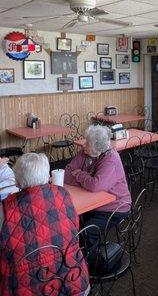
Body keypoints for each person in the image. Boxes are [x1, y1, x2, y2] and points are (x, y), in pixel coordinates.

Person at [0, 153, 89, 296]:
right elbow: (75, 229)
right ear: (48, 176)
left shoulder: (4, 209)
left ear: (17, 182)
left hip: (26, 289)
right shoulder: (63, 194)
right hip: (73, 281)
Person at [64, 125, 131, 233]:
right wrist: (88, 181)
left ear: (99, 149)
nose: (84, 145)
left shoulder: (111, 159)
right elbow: (66, 174)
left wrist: (80, 174)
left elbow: (96, 186)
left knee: (86, 231)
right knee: (70, 223)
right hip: (92, 203)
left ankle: (92, 250)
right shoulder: (85, 152)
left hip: (114, 207)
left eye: (88, 143)